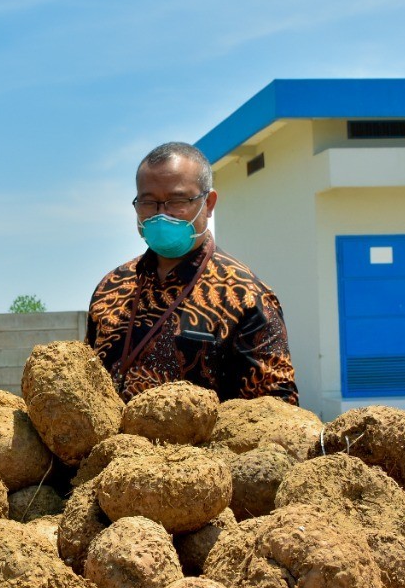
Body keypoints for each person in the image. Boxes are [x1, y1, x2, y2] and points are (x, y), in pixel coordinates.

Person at [86, 142, 298, 404]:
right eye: (149, 202)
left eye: (176, 201)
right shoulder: (111, 287)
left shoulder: (246, 296)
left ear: (208, 204)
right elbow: (88, 385)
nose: (161, 215)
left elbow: (277, 408)